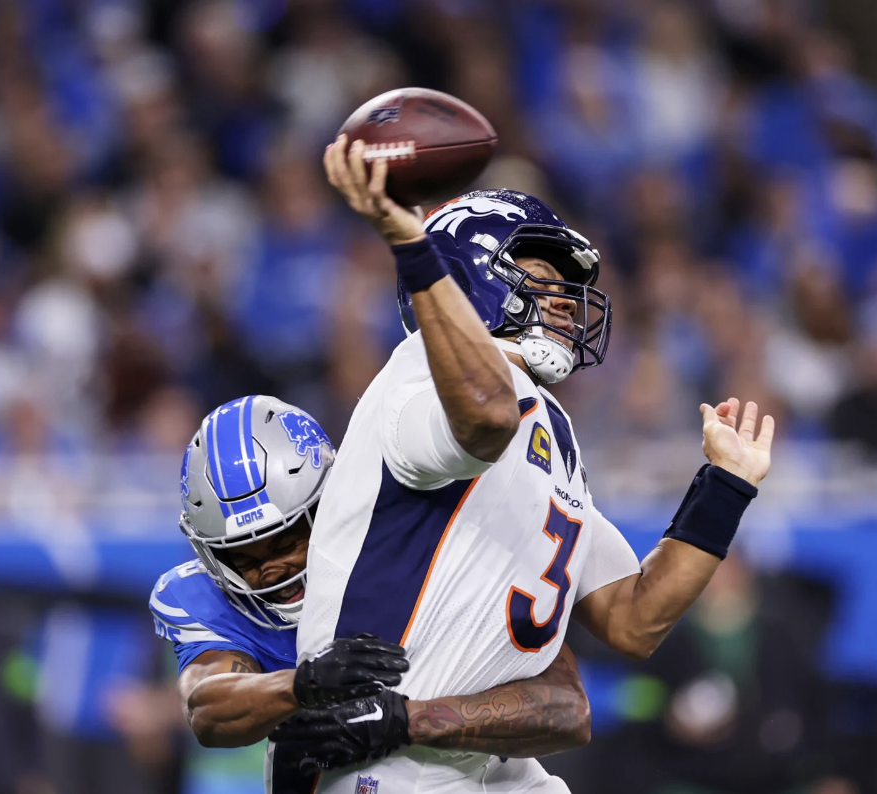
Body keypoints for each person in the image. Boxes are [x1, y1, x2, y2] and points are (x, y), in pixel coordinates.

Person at [286, 138, 775, 794]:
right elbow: (484, 418)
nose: (569, 300)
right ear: (468, 279)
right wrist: (412, 248)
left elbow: (635, 618)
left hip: (472, 750)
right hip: (377, 755)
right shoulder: (418, 376)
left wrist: (724, 487)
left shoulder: (549, 428)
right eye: (539, 276)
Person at [150, 395, 593, 793]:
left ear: (330, 503)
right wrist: (306, 683)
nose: (271, 569)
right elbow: (207, 708)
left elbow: (568, 710)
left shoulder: (416, 538)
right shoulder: (202, 596)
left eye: (287, 541)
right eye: (242, 558)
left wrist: (406, 720)